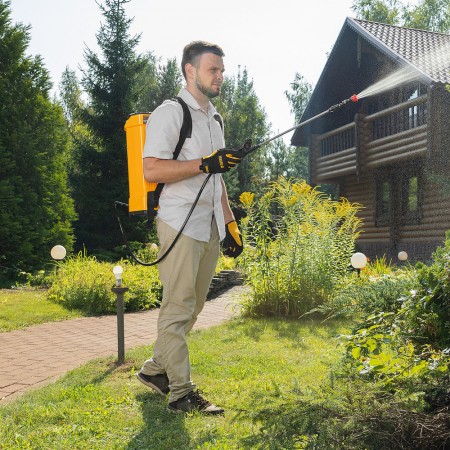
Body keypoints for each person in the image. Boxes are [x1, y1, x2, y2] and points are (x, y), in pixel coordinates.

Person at [137, 41, 244, 415]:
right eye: (213, 69)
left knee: (193, 307)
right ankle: (181, 393)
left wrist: (229, 222)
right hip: (179, 222)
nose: (220, 76)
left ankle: (155, 370)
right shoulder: (171, 113)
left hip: (208, 224)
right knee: (178, 307)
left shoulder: (215, 119)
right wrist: (204, 163)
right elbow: (151, 170)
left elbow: (217, 178)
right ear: (190, 70)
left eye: (222, 70)